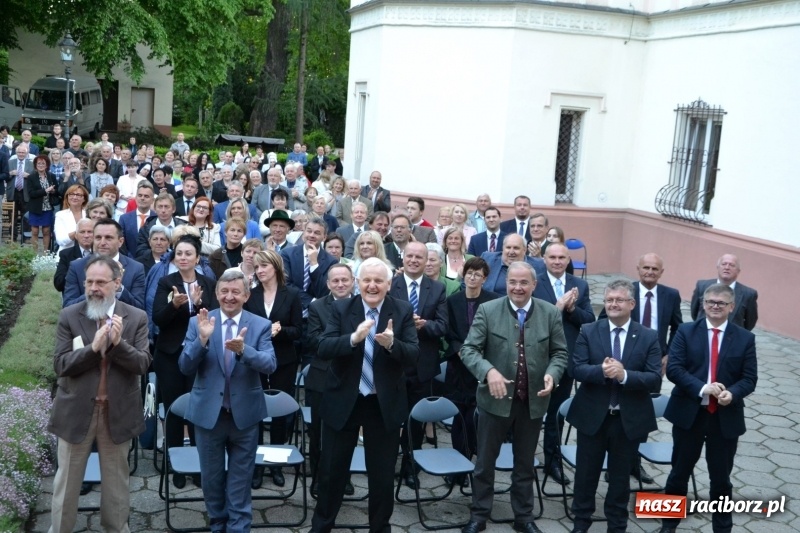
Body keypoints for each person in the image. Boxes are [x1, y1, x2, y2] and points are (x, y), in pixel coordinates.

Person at [310, 258, 419, 533]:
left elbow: (414, 355)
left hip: (383, 404)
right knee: (332, 471)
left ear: (388, 284)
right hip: (344, 399)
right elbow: (322, 347)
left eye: (378, 281)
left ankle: (380, 527)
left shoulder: (402, 310)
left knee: (382, 475)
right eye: (366, 280)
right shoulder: (341, 307)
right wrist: (353, 339)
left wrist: (393, 344)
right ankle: (321, 526)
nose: (372, 286)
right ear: (358, 283)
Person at [460, 261, 568, 533]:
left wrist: (553, 375)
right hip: (494, 402)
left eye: (523, 283)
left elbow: (560, 354)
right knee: (485, 463)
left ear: (534, 285)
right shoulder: (488, 310)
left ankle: (523, 517)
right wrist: (489, 372)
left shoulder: (549, 313)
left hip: (532, 403)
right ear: (506, 283)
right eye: (512, 282)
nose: (517, 288)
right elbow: (469, 350)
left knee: (525, 464)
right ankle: (479, 515)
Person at [48, 255, 151, 533]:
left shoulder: (136, 317)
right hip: (76, 411)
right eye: (89, 282)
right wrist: (93, 349)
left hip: (117, 413)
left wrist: (118, 345)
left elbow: (142, 364)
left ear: (117, 284)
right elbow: (60, 365)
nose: (94, 288)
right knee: (66, 485)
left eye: (101, 282)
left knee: (117, 488)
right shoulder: (70, 315)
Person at [179, 269, 277, 533]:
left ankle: (238, 527)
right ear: (216, 293)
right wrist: (201, 340)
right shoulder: (198, 322)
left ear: (246, 295)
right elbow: (185, 366)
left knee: (240, 480)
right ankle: (218, 523)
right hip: (209, 416)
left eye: (236, 292)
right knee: (211, 480)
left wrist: (245, 351)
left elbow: (270, 364)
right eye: (224, 291)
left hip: (244, 416)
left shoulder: (260, 325)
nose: (229, 297)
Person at [659, 283, 758, 533]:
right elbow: (674, 369)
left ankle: (722, 529)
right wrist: (703, 388)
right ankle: (667, 526)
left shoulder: (745, 338)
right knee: (678, 474)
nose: (715, 306)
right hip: (689, 415)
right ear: (703, 304)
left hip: (724, 419)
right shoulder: (685, 331)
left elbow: (749, 378)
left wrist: (732, 393)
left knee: (721, 480)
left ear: (731, 307)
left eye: (721, 303)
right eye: (710, 302)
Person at [567, 279, 662, 533]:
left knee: (620, 479)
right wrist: (603, 371)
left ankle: (617, 526)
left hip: (627, 421)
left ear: (631, 304)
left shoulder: (648, 336)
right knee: (585, 477)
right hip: (592, 418)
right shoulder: (589, 330)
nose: (613, 304)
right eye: (609, 300)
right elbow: (575, 369)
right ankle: (580, 523)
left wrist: (624, 375)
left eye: (619, 300)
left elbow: (654, 378)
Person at [152, 235, 218, 488]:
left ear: (197, 258)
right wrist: (175, 306)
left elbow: (214, 317)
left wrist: (199, 304)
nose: (183, 258)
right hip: (170, 355)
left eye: (188, 253)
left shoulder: (208, 282)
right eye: (178, 253)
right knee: (174, 409)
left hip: (199, 355)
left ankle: (198, 466)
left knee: (197, 411)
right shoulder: (166, 282)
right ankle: (175, 466)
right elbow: (158, 318)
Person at [532, 242, 595, 487]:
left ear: (568, 259)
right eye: (553, 257)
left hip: (564, 359)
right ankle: (524, 457)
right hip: (536, 357)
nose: (557, 262)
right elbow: (529, 318)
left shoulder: (580, 285)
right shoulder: (534, 282)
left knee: (556, 414)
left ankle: (552, 460)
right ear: (544, 259)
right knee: (530, 412)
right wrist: (557, 308)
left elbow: (588, 319)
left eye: (562, 258)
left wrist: (571, 310)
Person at [389, 241, 448, 489]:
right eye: (409, 256)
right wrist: (403, 324)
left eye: (419, 257)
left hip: (423, 366)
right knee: (391, 418)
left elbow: (443, 326)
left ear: (427, 261)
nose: (413, 260)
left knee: (416, 421)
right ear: (403, 258)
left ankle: (410, 466)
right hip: (394, 364)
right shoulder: (390, 284)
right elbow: (381, 318)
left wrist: (423, 325)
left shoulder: (437, 289)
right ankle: (388, 461)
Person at [244, 250, 303, 489]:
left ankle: (276, 463)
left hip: (284, 359)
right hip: (256, 359)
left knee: (279, 411)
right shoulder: (251, 294)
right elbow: (245, 326)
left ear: (275, 267)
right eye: (257, 267)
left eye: (264, 266)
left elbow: (298, 330)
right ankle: (257, 465)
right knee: (256, 411)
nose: (259, 270)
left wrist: (280, 331)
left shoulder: (292, 294)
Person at [443, 257, 500, 487]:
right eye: (469, 273)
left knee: (476, 419)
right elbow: (448, 332)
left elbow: (496, 333)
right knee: (459, 417)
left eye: (477, 274)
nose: (472, 277)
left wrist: (478, 356)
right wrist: (460, 351)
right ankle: (458, 467)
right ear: (463, 275)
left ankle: (475, 463)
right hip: (458, 368)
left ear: (485, 279)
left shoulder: (494, 301)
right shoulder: (452, 301)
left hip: (483, 368)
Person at [305, 264, 355, 496]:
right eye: (335, 281)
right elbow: (314, 341)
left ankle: (344, 477)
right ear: (328, 284)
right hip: (323, 377)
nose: (340, 284)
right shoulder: (317, 307)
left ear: (353, 281)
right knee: (318, 433)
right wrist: (349, 342)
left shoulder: (363, 304)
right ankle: (318, 478)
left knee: (348, 432)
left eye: (345, 280)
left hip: (352, 379)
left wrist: (335, 342)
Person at [62, 218, 147, 310]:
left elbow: (139, 308)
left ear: (120, 241)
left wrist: (118, 289)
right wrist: (93, 292)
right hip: (86, 322)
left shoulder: (136, 268)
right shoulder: (76, 267)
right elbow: (68, 306)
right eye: (98, 237)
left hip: (121, 322)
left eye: (108, 238)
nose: (102, 243)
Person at [280, 215, 337, 317]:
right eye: (309, 231)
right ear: (303, 234)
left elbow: (323, 291)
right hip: (289, 312)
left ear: (324, 237)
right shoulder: (287, 254)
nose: (312, 235)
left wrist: (314, 264)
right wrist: (311, 301)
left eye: (317, 233)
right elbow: (285, 284)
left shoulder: (331, 262)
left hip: (315, 317)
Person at [690, 254, 758, 331]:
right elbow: (694, 312)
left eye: (732, 265)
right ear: (718, 267)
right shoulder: (702, 286)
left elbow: (750, 322)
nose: (727, 267)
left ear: (738, 271)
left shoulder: (748, 294)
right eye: (724, 264)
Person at [481, 234, 545, 294]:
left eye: (516, 248)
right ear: (503, 248)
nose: (511, 252)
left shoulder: (539, 266)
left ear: (524, 250)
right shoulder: (488, 259)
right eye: (508, 247)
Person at [26, 155, 60, 253]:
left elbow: (57, 190)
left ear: (47, 165)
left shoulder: (51, 176)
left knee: (46, 231)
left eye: (43, 163)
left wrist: (53, 191)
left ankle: (45, 254)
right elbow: (31, 193)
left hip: (48, 207)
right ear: (35, 165)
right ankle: (34, 254)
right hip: (35, 208)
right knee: (35, 231)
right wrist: (45, 191)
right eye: (39, 163)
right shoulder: (31, 177)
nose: (41, 165)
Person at [54, 218, 95, 293]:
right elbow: (58, 284)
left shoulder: (100, 254)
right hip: (74, 298)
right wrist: (74, 268)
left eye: (90, 232)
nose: (86, 235)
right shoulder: (66, 254)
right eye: (82, 232)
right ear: (76, 236)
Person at [118, 181, 156, 257]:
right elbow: (121, 244)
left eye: (146, 196)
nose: (142, 198)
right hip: (129, 262)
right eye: (140, 195)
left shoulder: (157, 218)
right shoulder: (124, 219)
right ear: (135, 198)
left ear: (152, 200)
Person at [6, 144, 33, 242]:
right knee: (12, 215)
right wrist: (10, 173)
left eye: (23, 152)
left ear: (26, 153)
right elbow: (4, 176)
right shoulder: (10, 162)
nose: (21, 154)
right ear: (16, 153)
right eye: (19, 152)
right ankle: (12, 237)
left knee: (25, 216)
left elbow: (34, 179)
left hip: (25, 193)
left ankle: (25, 237)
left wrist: (29, 176)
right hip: (13, 192)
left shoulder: (31, 164)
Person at [54, 185, 89, 251]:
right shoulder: (60, 215)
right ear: (67, 197)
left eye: (78, 195)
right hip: (66, 254)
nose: (74, 197)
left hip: (86, 253)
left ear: (84, 199)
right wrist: (78, 233)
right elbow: (60, 240)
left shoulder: (89, 214)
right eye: (71, 194)